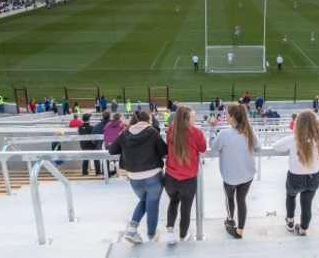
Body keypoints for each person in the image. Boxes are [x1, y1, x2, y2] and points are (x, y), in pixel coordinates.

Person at [109, 110, 167, 244]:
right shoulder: (152, 132)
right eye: (151, 119)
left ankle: (132, 229)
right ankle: (152, 234)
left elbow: (112, 150)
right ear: (147, 120)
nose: (152, 122)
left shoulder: (125, 133)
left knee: (145, 201)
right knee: (152, 204)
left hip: (134, 178)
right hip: (153, 175)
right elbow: (164, 151)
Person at [273, 109, 319, 236]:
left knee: (291, 196)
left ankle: (290, 220)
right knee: (307, 204)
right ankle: (303, 229)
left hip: (295, 178)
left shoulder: (293, 139)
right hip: (314, 177)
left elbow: (275, 146)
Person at [209, 102, 262, 239]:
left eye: (227, 113)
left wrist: (212, 128)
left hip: (230, 178)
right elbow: (258, 147)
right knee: (241, 200)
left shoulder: (225, 134)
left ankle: (230, 219)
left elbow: (213, 146)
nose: (226, 116)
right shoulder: (249, 130)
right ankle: (240, 230)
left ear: (232, 117)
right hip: (247, 175)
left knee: (230, 198)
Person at [164, 105, 207, 244]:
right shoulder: (196, 132)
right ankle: (183, 235)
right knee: (186, 209)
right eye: (193, 117)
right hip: (188, 179)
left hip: (171, 177)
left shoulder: (171, 130)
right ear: (187, 119)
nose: (195, 119)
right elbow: (203, 148)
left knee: (173, 202)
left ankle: (170, 233)